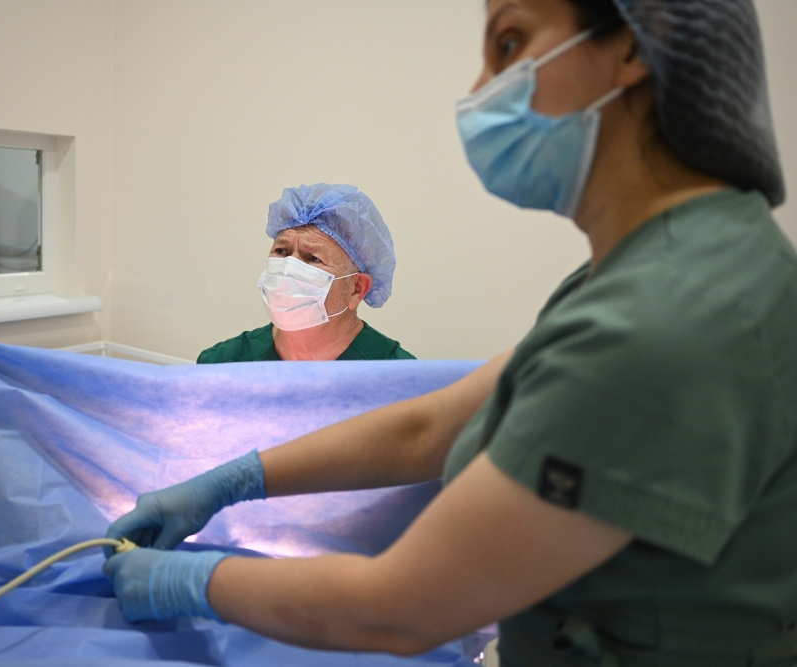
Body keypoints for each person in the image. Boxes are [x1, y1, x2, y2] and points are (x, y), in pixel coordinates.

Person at [104, 0, 797, 664]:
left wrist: (191, 581)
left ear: (635, 45)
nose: (479, 93)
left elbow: (401, 607)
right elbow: (432, 426)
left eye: (509, 43)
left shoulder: (669, 312)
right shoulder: (651, 269)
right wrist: (231, 482)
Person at [196, 183, 415, 362]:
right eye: (281, 251)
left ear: (356, 289)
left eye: (312, 258)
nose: (289, 268)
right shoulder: (223, 364)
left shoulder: (400, 378)